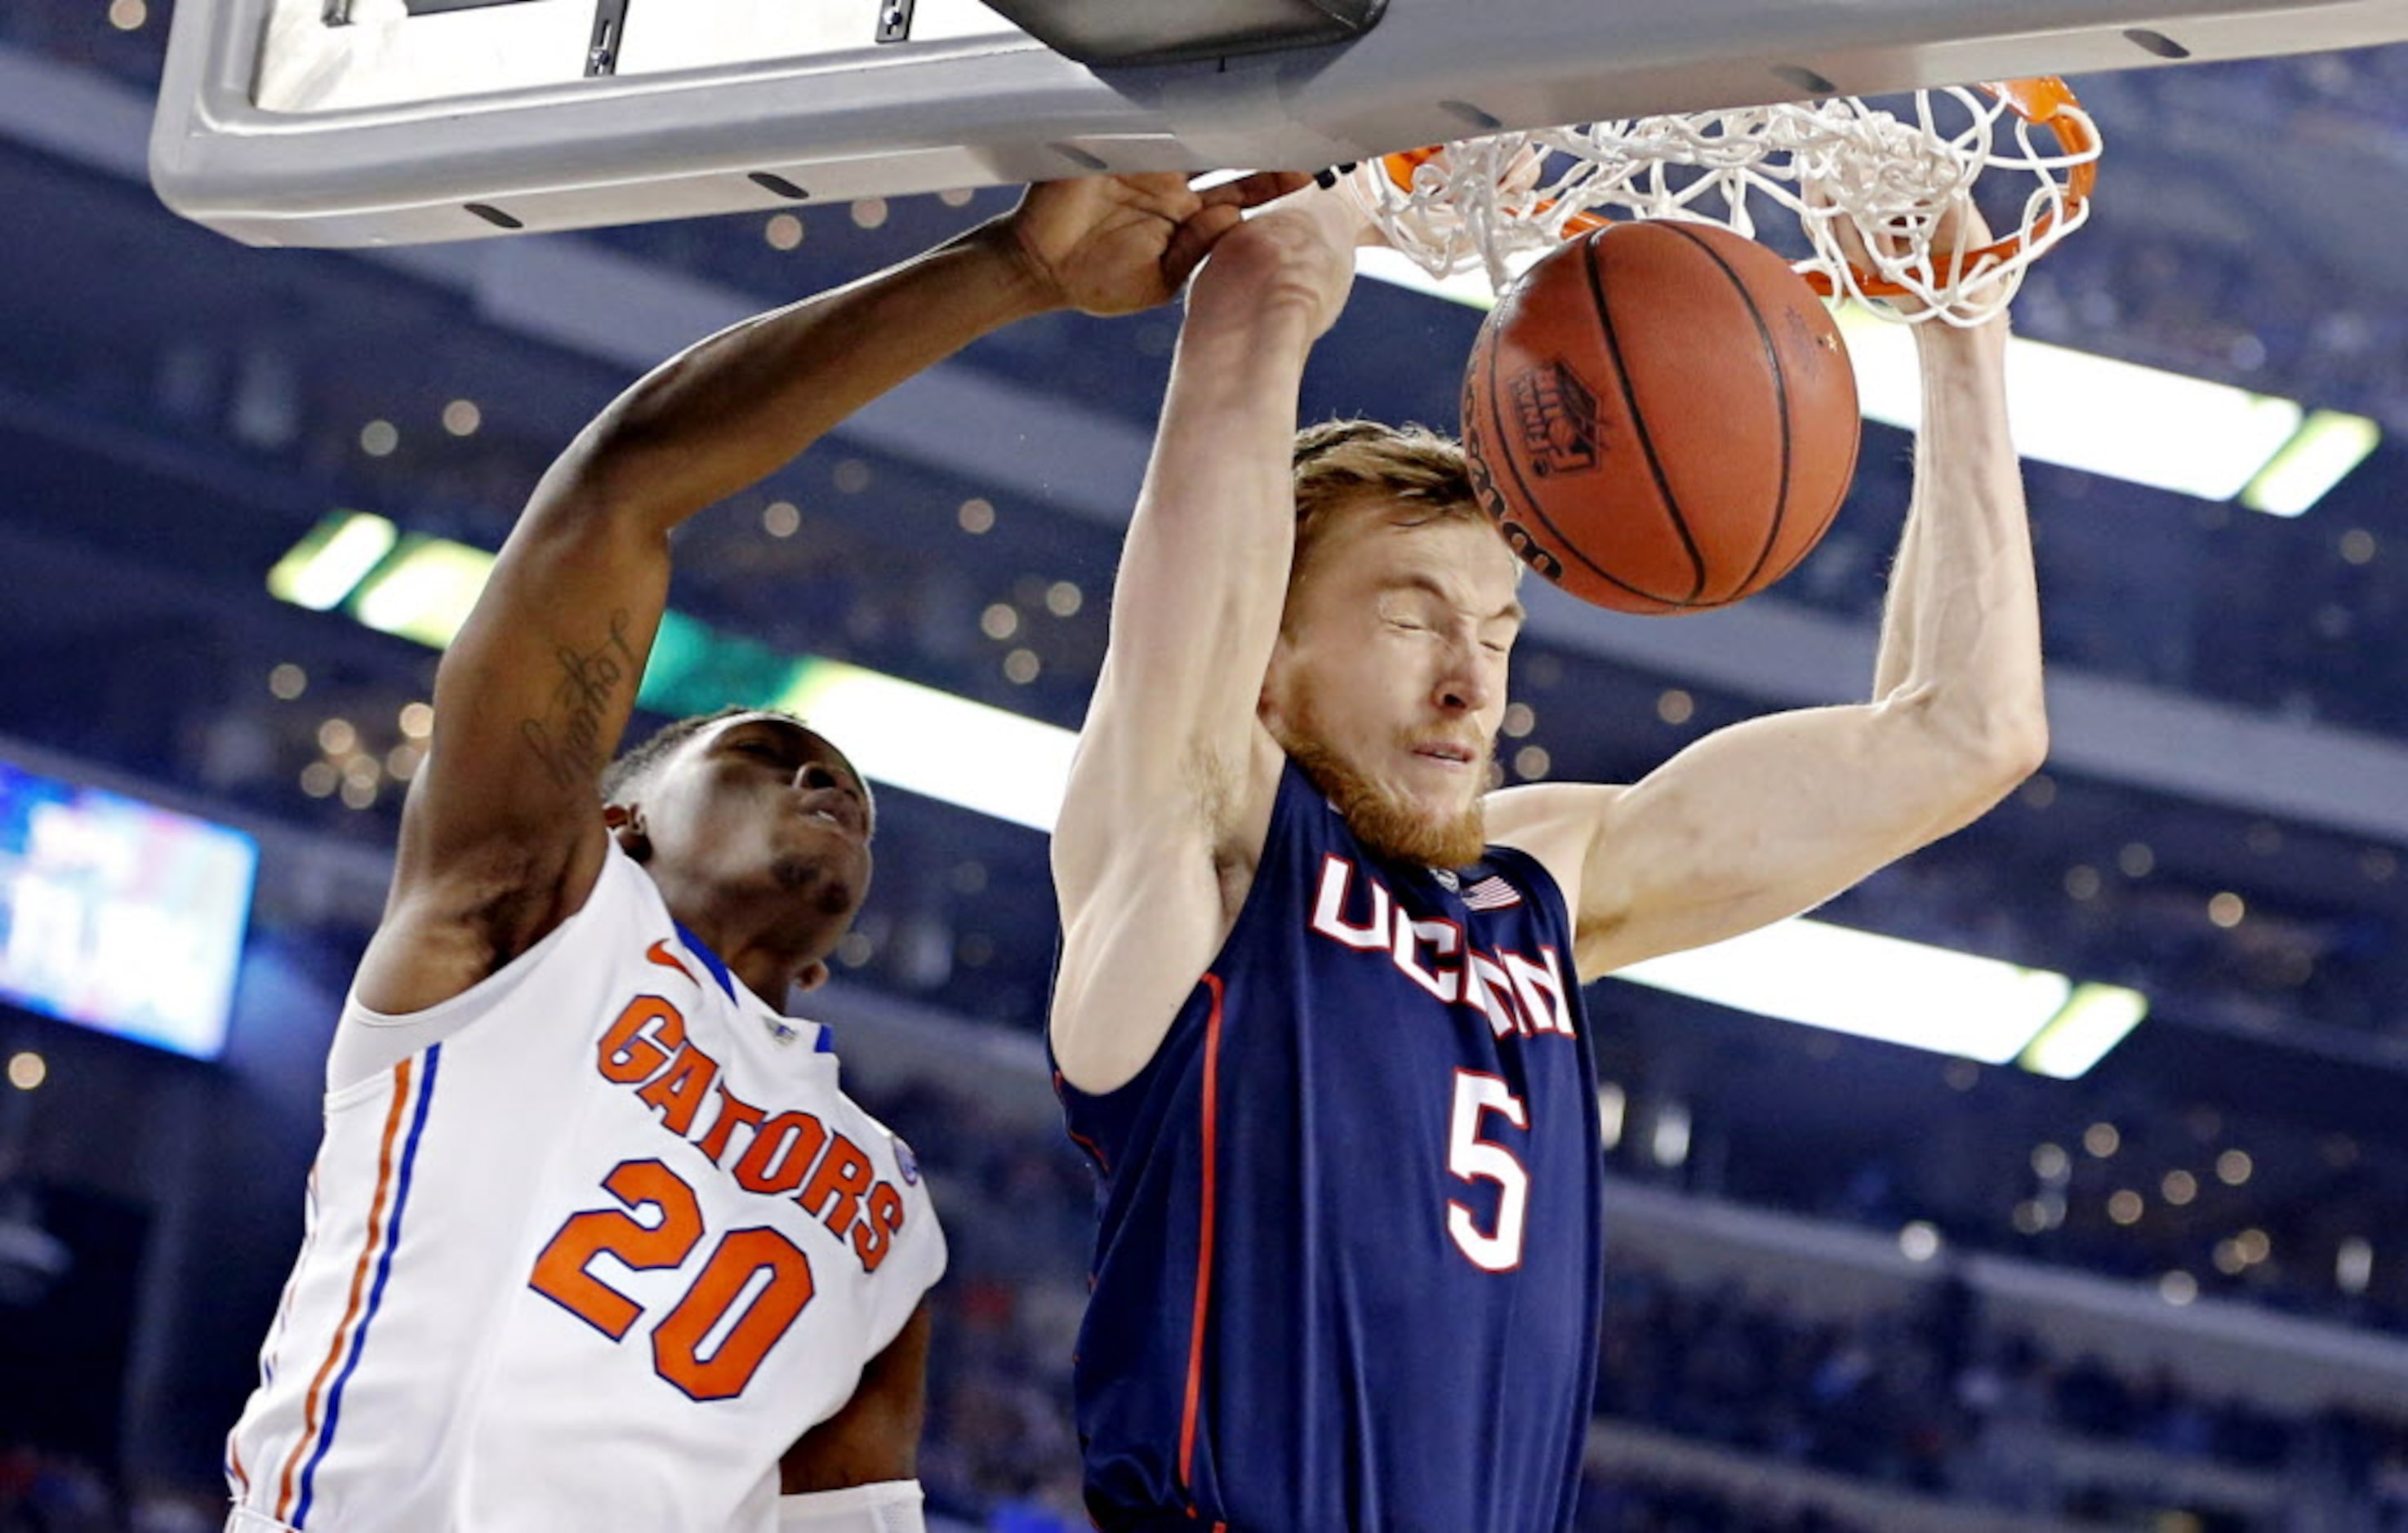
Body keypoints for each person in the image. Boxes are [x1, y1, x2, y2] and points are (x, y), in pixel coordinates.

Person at [221, 168, 1306, 1533]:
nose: (818, 781)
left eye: (839, 781)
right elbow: (615, 496)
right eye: (759, 756)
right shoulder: (528, 927)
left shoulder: (894, 1214)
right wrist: (1012, 270)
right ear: (618, 823)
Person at [1045, 188, 2047, 1529]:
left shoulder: (1537, 885)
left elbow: (1968, 732)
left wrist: (1958, 329)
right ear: (1266, 659)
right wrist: (1316, 201)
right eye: (1412, 622)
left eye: (1499, 630)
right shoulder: (1196, 848)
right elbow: (1249, 326)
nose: (1473, 686)